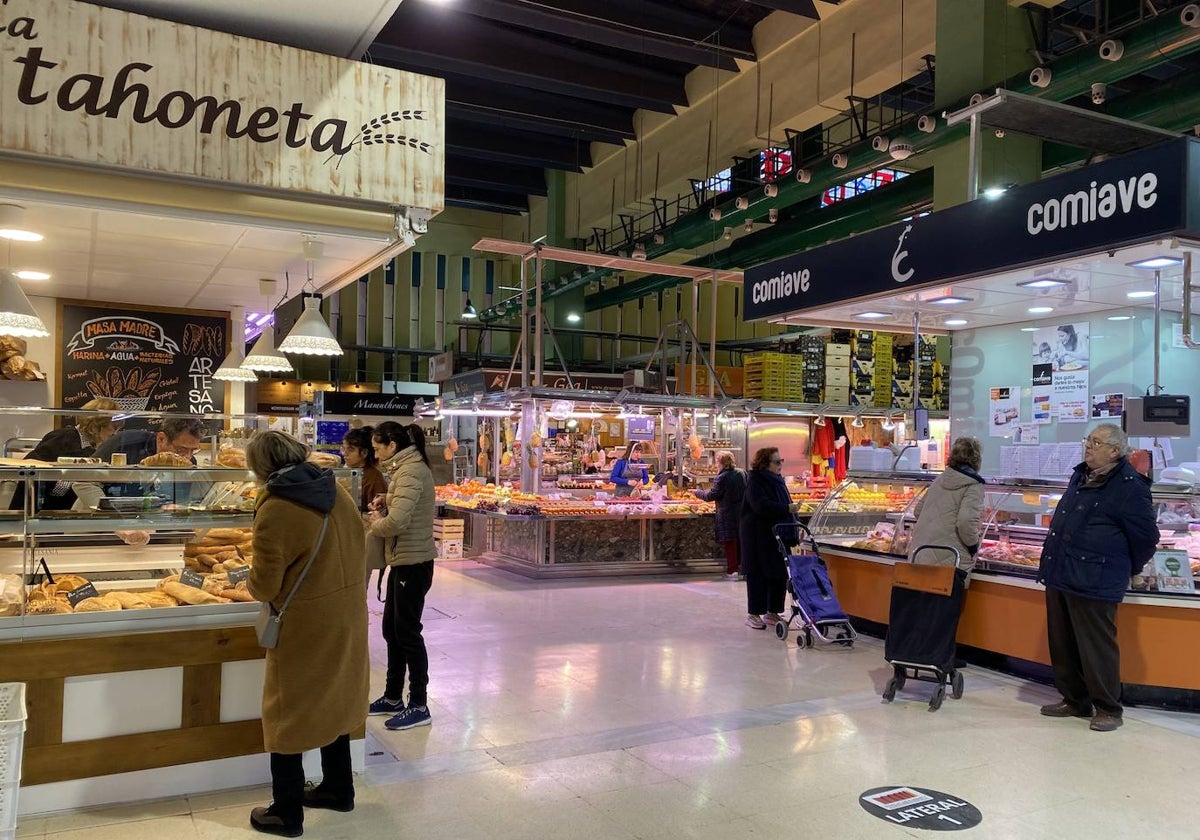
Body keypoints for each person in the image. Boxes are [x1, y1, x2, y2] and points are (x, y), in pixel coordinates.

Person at [244, 431, 368, 836]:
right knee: (334, 700)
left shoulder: (277, 507)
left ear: (261, 468)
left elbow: (263, 587)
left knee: (288, 712)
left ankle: (287, 811)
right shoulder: (337, 491)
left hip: (305, 624)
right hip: (347, 613)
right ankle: (338, 788)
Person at [1036, 423, 1157, 732]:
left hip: (1096, 578)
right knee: (1062, 642)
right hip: (1062, 571)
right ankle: (1074, 699)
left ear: (1115, 451)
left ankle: (1108, 708)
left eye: (1096, 442)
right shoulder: (1081, 475)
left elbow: (1145, 538)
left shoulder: (1130, 486)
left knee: (1096, 647)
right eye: (1088, 440)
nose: (1088, 446)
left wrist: (1127, 567)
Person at [366, 421, 437, 731]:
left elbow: (396, 523)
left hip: (413, 562)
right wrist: (386, 498)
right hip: (403, 560)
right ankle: (393, 696)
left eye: (378, 448)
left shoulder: (410, 471)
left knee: (407, 633)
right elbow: (403, 505)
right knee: (391, 630)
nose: (376, 454)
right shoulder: (405, 469)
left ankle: (419, 704)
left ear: (392, 446)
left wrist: (376, 520)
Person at [8, 397, 121, 511]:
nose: (115, 434)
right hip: (36, 510)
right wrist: (70, 481)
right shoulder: (63, 438)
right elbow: (31, 468)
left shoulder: (93, 447)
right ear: (98, 424)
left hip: (60, 512)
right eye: (114, 428)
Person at [73, 417, 208, 510]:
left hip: (148, 531)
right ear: (161, 438)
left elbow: (185, 502)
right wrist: (113, 518)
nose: (188, 457)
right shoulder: (125, 443)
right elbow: (83, 481)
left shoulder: (188, 463)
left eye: (193, 451)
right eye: (181, 450)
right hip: (96, 525)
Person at [908, 436, 985, 584]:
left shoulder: (939, 479)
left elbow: (918, 511)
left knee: (922, 604)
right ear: (976, 459)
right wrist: (973, 546)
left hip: (921, 552)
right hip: (951, 557)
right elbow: (966, 522)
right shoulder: (974, 484)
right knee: (945, 605)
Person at [739, 447, 798, 629]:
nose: (780, 464)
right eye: (777, 461)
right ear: (765, 463)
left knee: (778, 573)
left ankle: (772, 612)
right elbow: (760, 506)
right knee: (758, 574)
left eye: (781, 461)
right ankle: (754, 613)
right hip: (758, 536)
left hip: (777, 535)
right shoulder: (755, 481)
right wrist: (787, 509)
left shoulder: (777, 480)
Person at [341, 426, 389, 588]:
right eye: (344, 448)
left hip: (361, 543)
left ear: (365, 453)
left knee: (357, 587)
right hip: (348, 540)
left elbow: (378, 512)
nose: (345, 453)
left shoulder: (373, 477)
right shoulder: (348, 472)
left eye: (351, 449)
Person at [693, 451, 746, 580]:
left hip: (727, 513)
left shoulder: (721, 477)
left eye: (717, 462)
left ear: (721, 463)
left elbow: (711, 495)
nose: (716, 464)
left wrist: (697, 492)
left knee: (730, 542)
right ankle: (741, 569)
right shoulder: (742, 473)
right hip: (742, 512)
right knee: (739, 541)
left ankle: (732, 571)